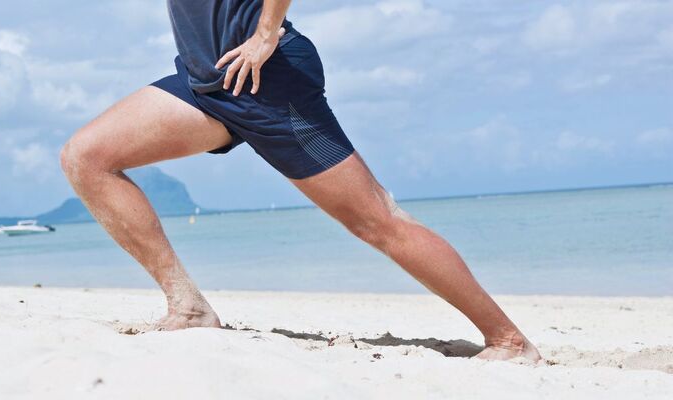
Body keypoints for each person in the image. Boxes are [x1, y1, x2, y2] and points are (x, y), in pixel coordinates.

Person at [60, 0, 541, 362]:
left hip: (269, 81)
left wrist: (267, 31)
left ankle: (508, 340)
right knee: (87, 157)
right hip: (205, 83)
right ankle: (187, 307)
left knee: (377, 221)